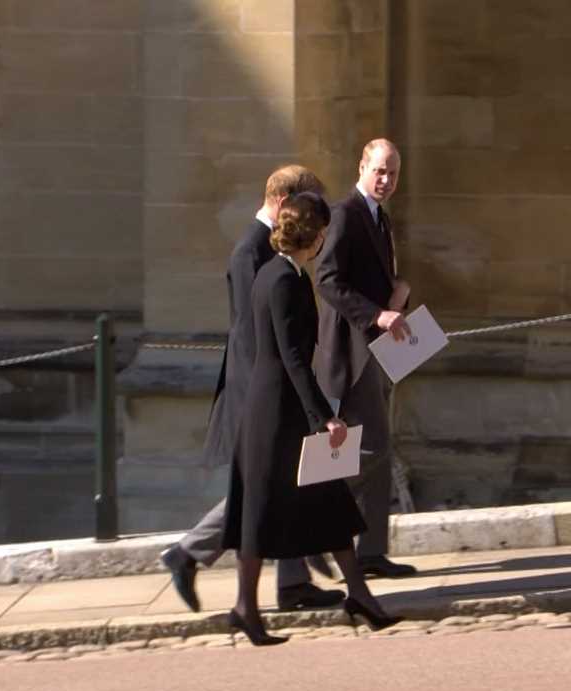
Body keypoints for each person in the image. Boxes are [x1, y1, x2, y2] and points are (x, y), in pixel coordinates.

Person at [160, 166, 343, 615]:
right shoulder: (251, 252)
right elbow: (253, 334)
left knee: (289, 480)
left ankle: (293, 582)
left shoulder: (270, 248)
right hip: (260, 390)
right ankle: (189, 553)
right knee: (263, 488)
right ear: (284, 203)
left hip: (281, 386)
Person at [223, 192, 402, 645]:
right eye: (322, 232)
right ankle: (247, 606)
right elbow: (292, 359)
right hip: (277, 414)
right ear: (314, 233)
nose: (325, 239)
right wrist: (324, 417)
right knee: (259, 513)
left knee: (330, 501)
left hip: (285, 408)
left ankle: (358, 595)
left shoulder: (281, 273)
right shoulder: (283, 280)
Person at [315, 138, 416, 578]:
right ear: (361, 166)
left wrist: (397, 299)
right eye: (378, 171)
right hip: (350, 352)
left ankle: (372, 552)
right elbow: (328, 280)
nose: (386, 180)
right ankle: (312, 520)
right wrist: (378, 314)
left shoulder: (380, 217)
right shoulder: (344, 214)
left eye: (392, 173)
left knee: (377, 448)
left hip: (377, 349)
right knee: (367, 449)